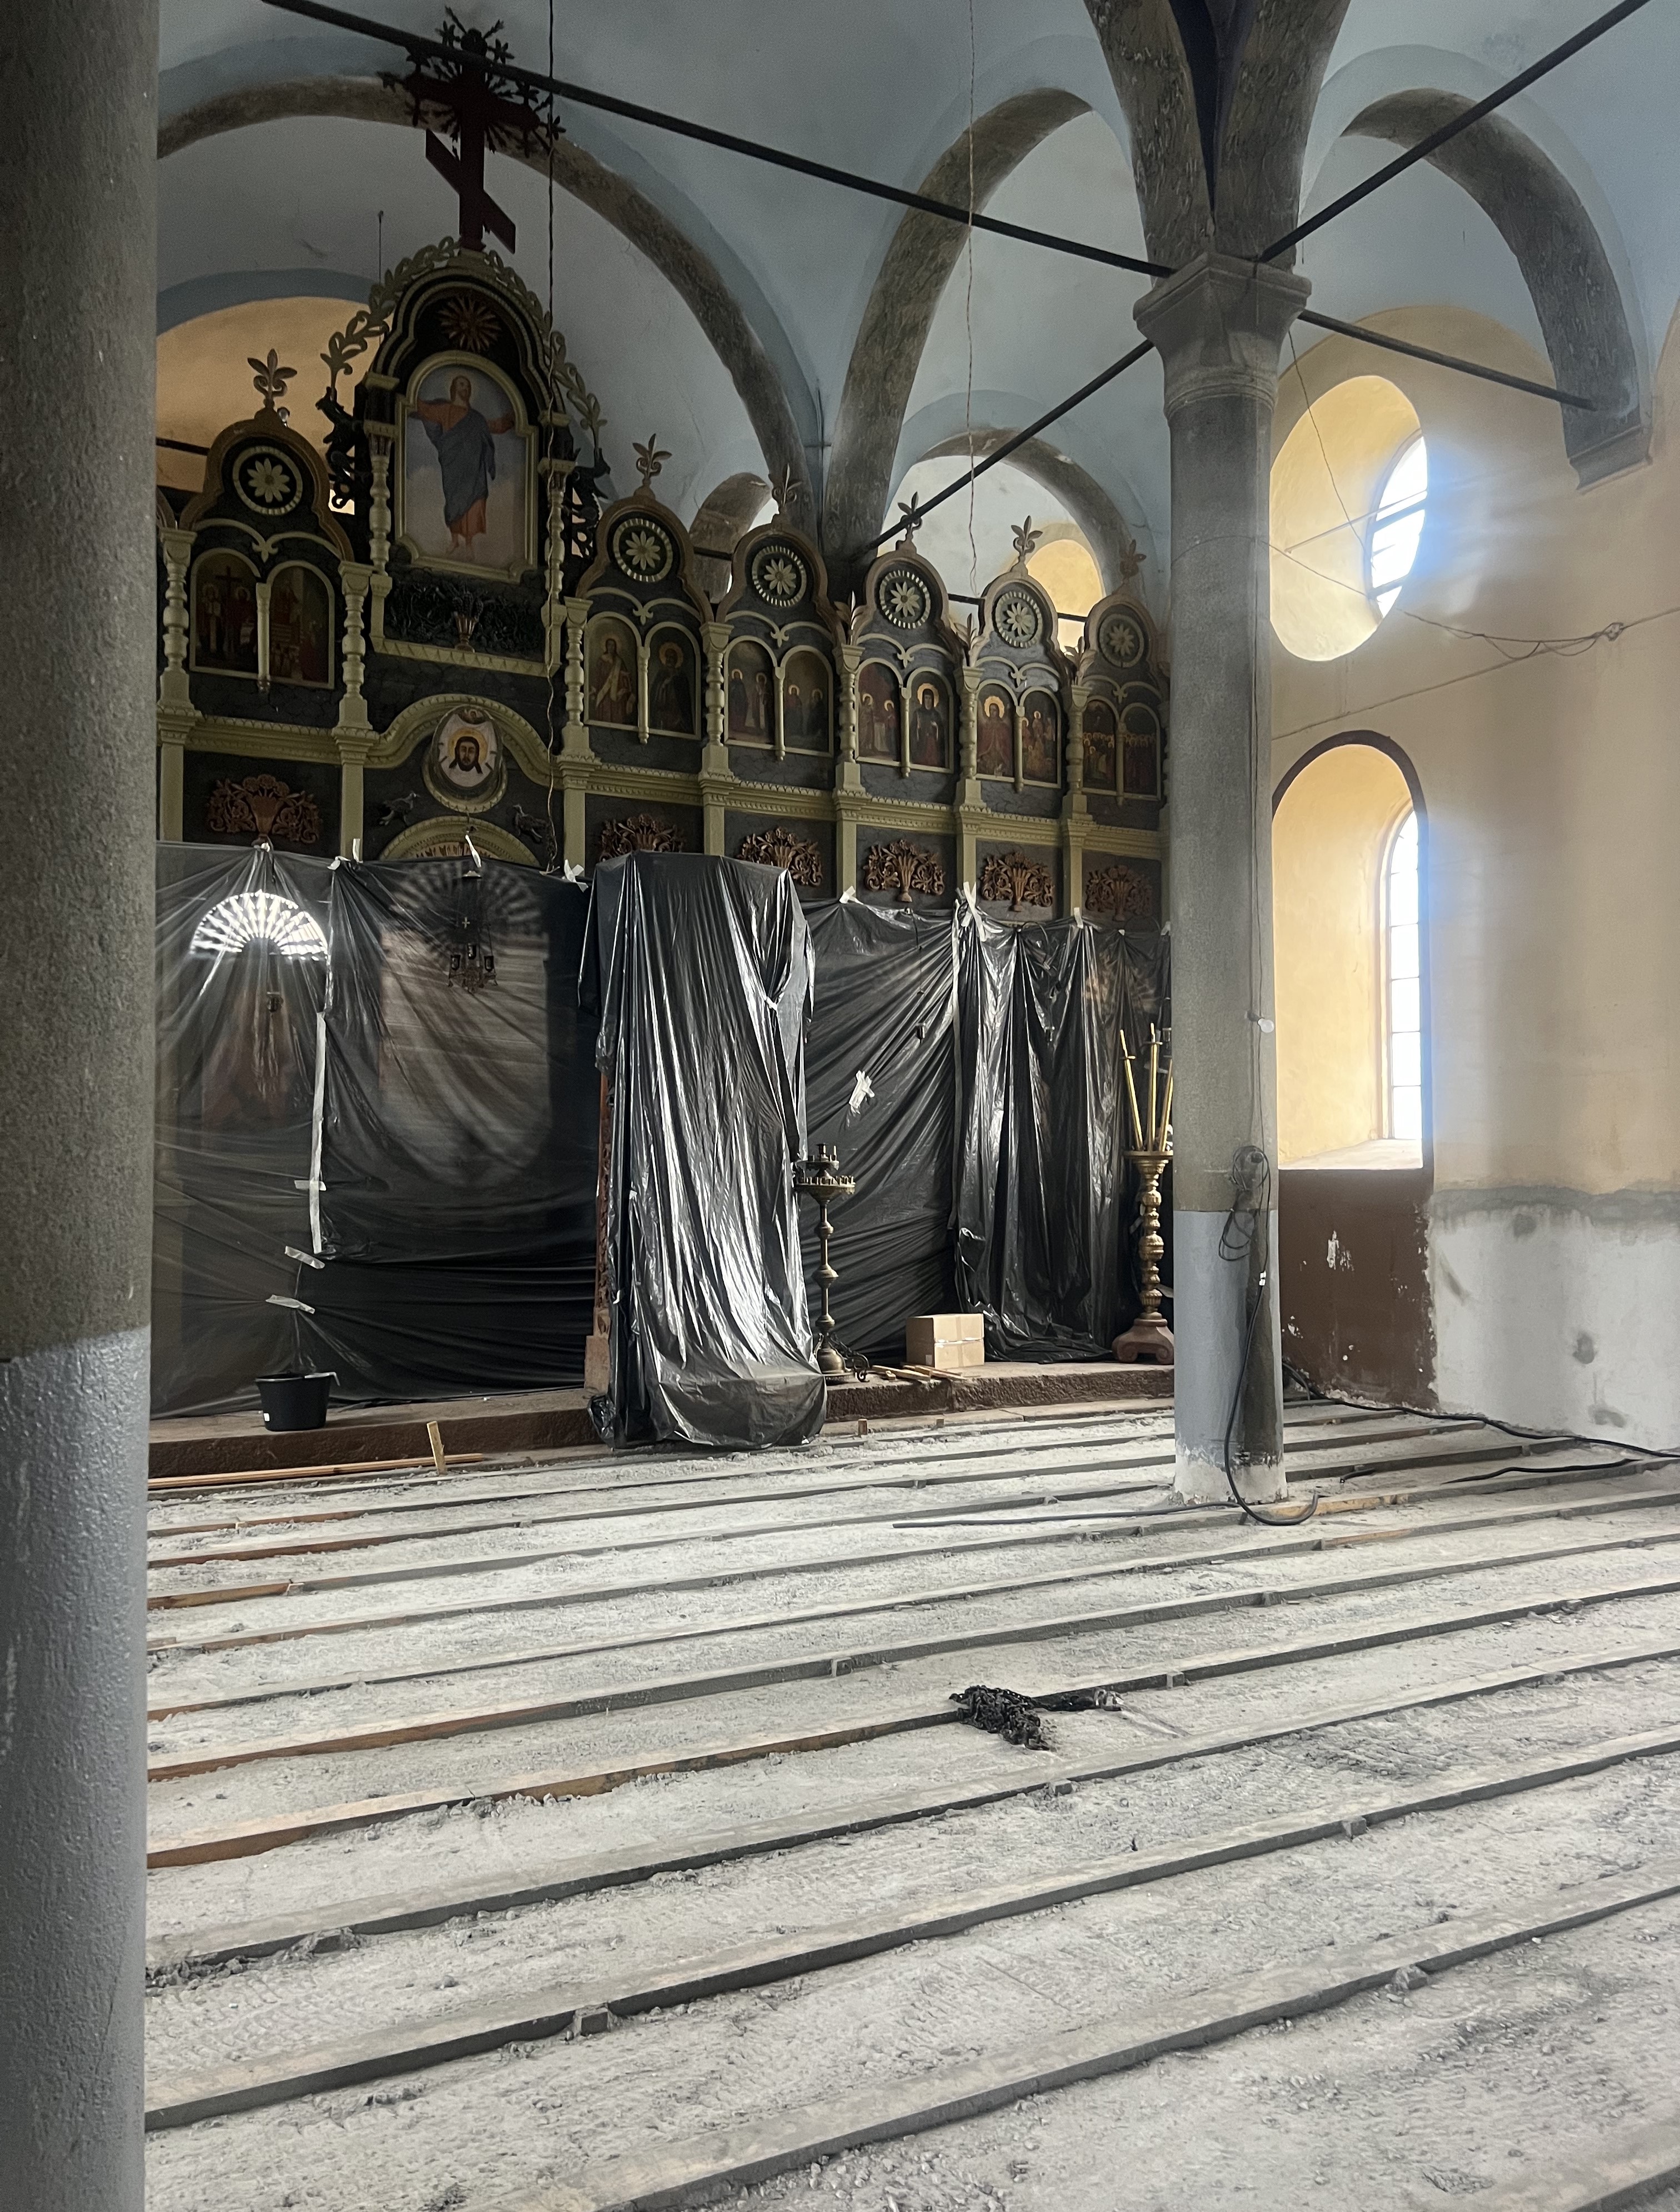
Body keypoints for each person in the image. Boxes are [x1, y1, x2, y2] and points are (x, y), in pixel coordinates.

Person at [413, 372, 514, 555]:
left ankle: (468, 543)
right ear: (454, 389)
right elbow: (426, 410)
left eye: (467, 386)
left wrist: (511, 419)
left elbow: (494, 426)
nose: (465, 389)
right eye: (461, 385)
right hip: (453, 466)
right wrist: (407, 395)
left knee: (474, 501)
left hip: (474, 468)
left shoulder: (476, 418)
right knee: (454, 501)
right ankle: (455, 541)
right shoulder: (445, 410)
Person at [591, 632, 635, 724]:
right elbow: (597, 676)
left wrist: (624, 676)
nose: (611, 647)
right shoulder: (602, 660)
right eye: (609, 645)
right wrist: (594, 691)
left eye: (613, 645)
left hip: (617, 693)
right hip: (605, 692)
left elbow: (626, 676)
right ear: (606, 646)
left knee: (617, 714)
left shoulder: (619, 661)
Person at [651, 640, 693, 732]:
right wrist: (663, 686)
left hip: (676, 714)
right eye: (667, 657)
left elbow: (684, 700)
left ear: (676, 660)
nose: (669, 660)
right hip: (663, 713)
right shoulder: (661, 675)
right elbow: (655, 695)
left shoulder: (681, 677)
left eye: (672, 657)